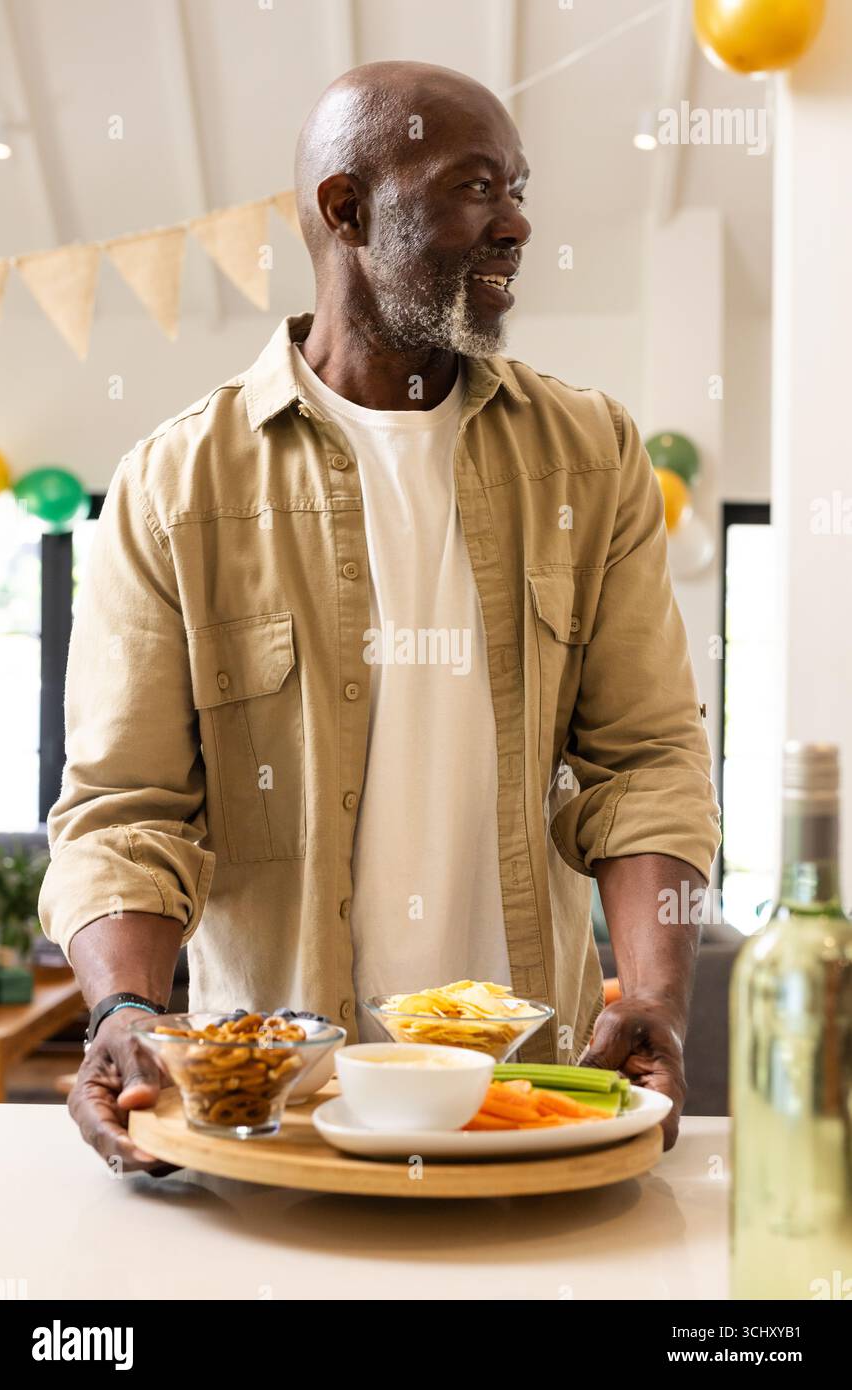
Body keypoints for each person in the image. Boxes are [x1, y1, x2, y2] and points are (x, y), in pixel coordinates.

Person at [39, 61, 721, 1169]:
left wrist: (652, 994)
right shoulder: (174, 487)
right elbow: (126, 811)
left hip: (527, 1110)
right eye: (475, 187)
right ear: (346, 210)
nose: (517, 223)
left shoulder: (591, 457)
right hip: (272, 1122)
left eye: (518, 188)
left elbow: (647, 762)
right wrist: (121, 1013)